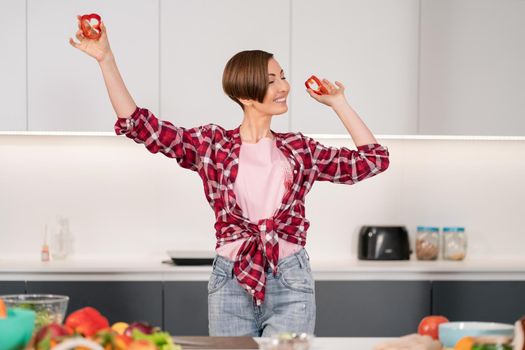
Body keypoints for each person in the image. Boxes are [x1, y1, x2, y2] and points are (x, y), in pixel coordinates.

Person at [69, 18, 390, 337]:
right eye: (272, 80)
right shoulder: (212, 145)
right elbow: (140, 125)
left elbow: (373, 160)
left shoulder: (299, 149)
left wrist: (339, 103)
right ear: (246, 96)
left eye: (283, 77)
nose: (284, 87)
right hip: (230, 280)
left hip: (290, 279)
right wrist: (106, 59)